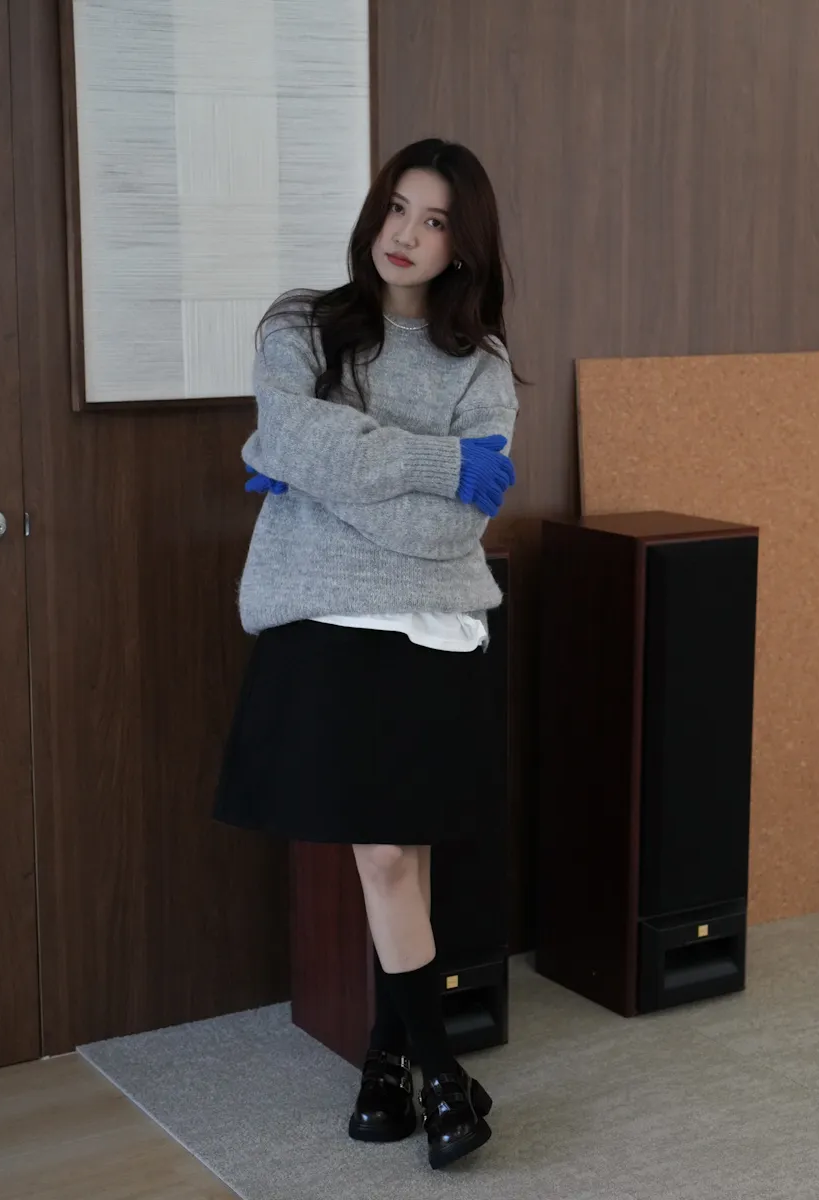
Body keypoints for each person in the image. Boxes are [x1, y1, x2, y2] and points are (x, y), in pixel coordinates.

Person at [214, 137, 520, 1171]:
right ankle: (441, 1077)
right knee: (386, 855)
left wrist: (321, 480)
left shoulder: (482, 368)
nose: (406, 234)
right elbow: (286, 440)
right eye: (398, 207)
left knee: (407, 853)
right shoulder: (301, 328)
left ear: (463, 246)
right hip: (326, 628)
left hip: (435, 629)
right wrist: (439, 462)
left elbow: (453, 530)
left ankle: (384, 1071)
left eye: (435, 221)